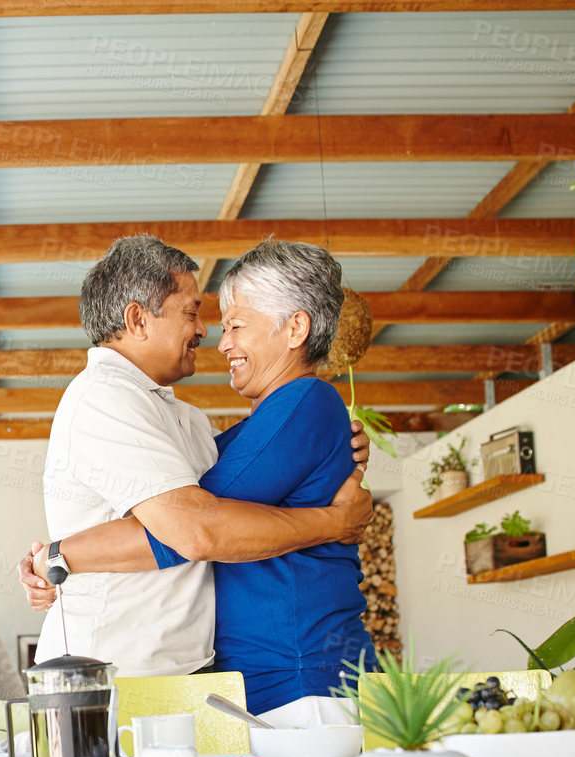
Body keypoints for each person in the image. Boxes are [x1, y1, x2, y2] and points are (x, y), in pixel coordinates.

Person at [24, 239, 378, 713]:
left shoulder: (198, 419)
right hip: (121, 669)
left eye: (235, 325)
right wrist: (56, 559)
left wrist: (60, 556)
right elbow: (195, 528)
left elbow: (195, 523)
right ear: (137, 319)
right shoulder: (104, 398)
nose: (212, 334)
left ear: (295, 328)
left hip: (263, 670)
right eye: (194, 313)